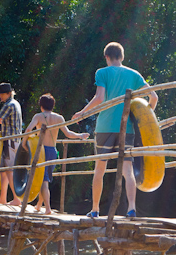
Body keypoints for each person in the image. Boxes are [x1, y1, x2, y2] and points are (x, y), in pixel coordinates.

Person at [72, 42, 158, 218]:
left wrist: (82, 112)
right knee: (128, 170)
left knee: (99, 170)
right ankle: (132, 208)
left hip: (104, 127)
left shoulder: (102, 72)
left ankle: (95, 210)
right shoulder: (134, 74)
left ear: (107, 57)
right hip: (126, 129)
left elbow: (100, 97)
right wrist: (146, 121)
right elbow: (154, 97)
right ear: (122, 56)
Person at [23, 93, 89, 214]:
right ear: (53, 105)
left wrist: (23, 143)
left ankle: (47, 208)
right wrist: (81, 136)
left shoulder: (38, 116)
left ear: (41, 105)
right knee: (45, 178)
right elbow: (68, 134)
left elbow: (28, 130)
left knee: (43, 180)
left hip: (41, 151)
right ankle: (39, 205)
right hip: (53, 151)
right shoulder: (59, 118)